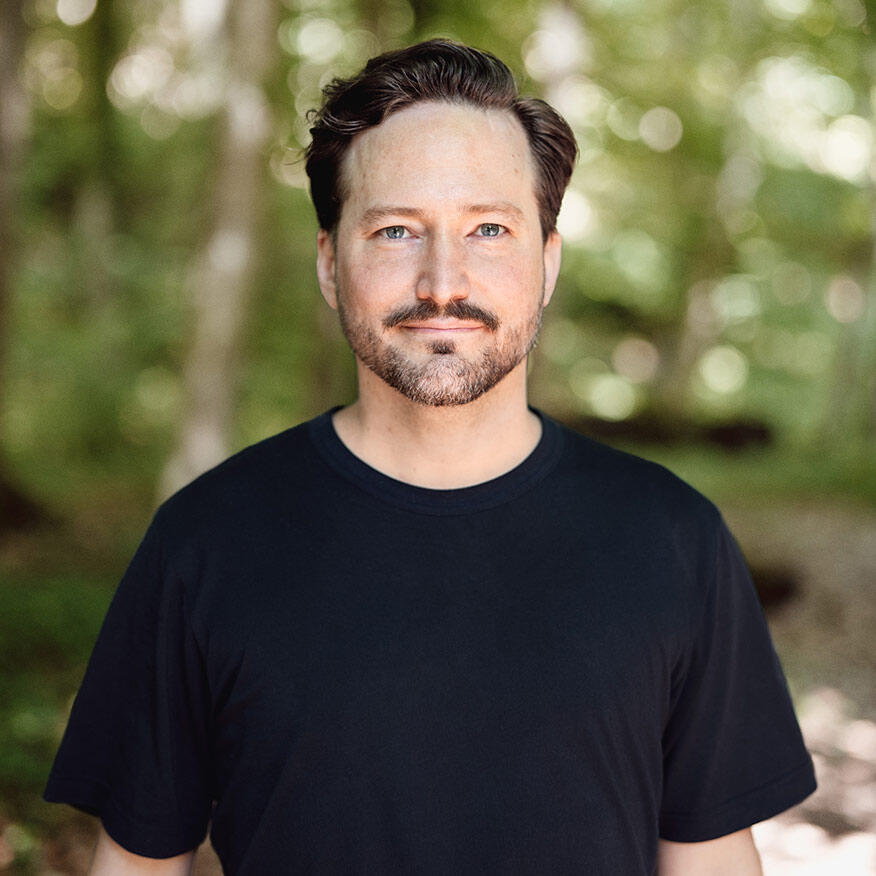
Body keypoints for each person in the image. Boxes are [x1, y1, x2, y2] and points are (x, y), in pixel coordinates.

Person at [45, 39, 816, 875]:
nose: (442, 280)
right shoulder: (207, 541)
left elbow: (708, 861)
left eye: (489, 228)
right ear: (331, 265)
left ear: (547, 264)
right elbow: (136, 864)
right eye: (395, 230)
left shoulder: (673, 539)